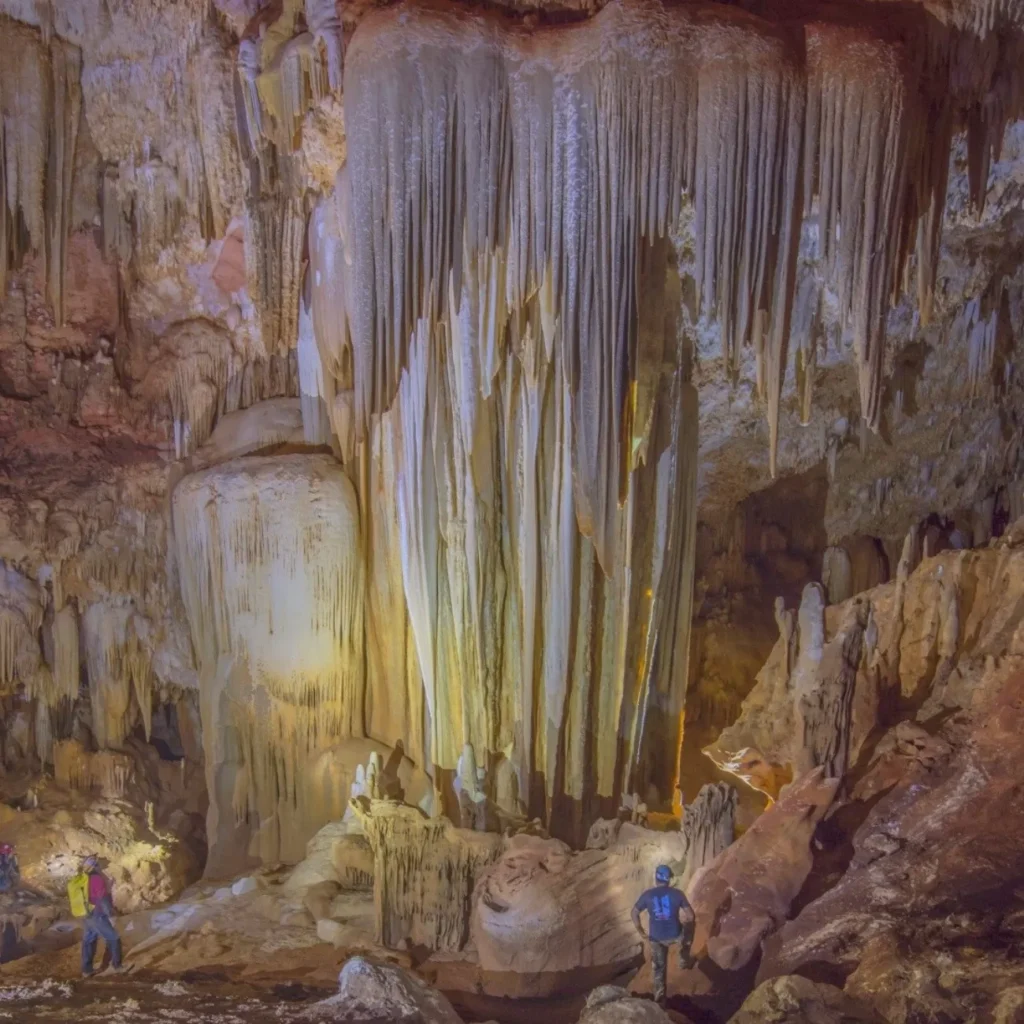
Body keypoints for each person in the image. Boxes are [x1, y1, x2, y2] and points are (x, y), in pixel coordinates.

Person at [631, 864, 695, 1005]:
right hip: (675, 935)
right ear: (668, 879)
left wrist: (641, 931)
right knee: (690, 926)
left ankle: (660, 1001)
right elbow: (691, 916)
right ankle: (684, 959)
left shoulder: (647, 895)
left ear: (656, 878)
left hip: (656, 939)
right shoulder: (677, 893)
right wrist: (685, 925)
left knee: (659, 969)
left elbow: (634, 912)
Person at [79, 856, 123, 976]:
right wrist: (110, 914)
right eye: (99, 865)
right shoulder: (97, 879)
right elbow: (102, 898)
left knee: (89, 940)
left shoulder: (83, 878)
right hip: (97, 914)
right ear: (95, 866)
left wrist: (108, 886)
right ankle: (117, 966)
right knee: (114, 938)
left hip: (86, 913)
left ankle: (86, 970)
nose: (101, 868)